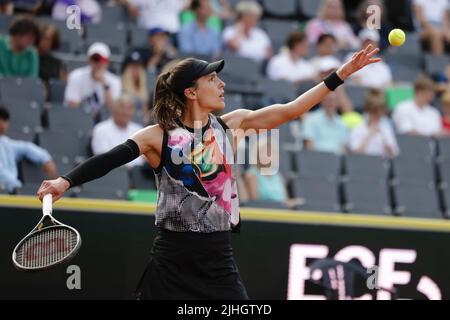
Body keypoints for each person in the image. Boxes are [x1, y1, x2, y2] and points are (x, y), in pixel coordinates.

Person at [36, 44, 381, 299]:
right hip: (171, 263)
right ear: (190, 92)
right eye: (212, 79)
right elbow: (110, 158)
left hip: (218, 262)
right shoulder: (158, 136)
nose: (221, 85)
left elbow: (290, 111)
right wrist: (65, 181)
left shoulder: (231, 125)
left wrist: (342, 74)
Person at [0, 106, 57, 193]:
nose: (4, 124)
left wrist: (46, 159)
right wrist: (19, 187)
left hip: (12, 193)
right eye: (1, 120)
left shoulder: (6, 143)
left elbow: (26, 147)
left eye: (5, 120)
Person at [64, 42, 122, 117]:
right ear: (89, 61)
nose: (98, 63)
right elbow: (72, 105)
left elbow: (112, 110)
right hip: (80, 118)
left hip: (104, 121)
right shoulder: (76, 76)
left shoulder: (115, 81)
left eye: (102, 59)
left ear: (107, 62)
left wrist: (105, 85)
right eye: (95, 59)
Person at [91, 95, 145, 168]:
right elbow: (103, 158)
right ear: (114, 109)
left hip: (139, 175)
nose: (125, 112)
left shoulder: (139, 130)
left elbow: (145, 158)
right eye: (122, 107)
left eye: (130, 108)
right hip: (113, 175)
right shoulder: (101, 129)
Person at [349, 92, 399, 157]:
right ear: (369, 112)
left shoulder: (386, 128)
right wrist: (370, 134)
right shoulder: (357, 128)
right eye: (375, 114)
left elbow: (395, 153)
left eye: (380, 115)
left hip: (381, 163)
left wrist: (389, 149)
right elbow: (355, 152)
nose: (378, 117)